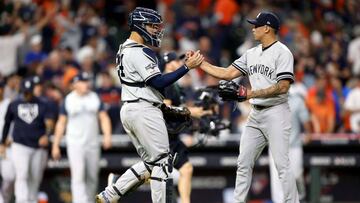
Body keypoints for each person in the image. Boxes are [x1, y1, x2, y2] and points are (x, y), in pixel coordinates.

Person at [96, 7, 203, 203]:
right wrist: (187, 67)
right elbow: (158, 82)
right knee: (162, 162)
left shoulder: (124, 48)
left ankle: (110, 194)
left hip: (131, 108)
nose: (155, 30)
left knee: (151, 162)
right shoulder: (139, 51)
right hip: (143, 109)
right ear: (139, 26)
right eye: (152, 26)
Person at [198, 11, 299, 203]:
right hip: (256, 114)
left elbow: (283, 86)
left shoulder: (283, 52)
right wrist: (200, 64)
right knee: (243, 163)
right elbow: (228, 73)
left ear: (267, 28)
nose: (253, 29)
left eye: (256, 25)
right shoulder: (251, 53)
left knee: (282, 165)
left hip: (276, 112)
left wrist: (249, 93)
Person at [51, 72, 112, 203]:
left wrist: (107, 136)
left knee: (92, 177)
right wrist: (55, 144)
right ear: (75, 84)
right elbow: (61, 123)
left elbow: (104, 117)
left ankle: (89, 201)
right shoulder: (68, 99)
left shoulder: (94, 97)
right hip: (75, 144)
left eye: (87, 81)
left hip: (92, 143)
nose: (86, 84)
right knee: (78, 176)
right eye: (83, 82)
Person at [0, 77, 54, 203]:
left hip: (38, 147)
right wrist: (2, 142)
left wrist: (47, 135)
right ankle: (22, 200)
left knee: (35, 177)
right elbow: (7, 124)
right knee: (22, 174)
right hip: (20, 145)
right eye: (25, 92)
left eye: (29, 91)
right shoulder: (14, 104)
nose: (27, 94)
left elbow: (50, 122)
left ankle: (32, 199)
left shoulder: (43, 104)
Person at [269, 86, 312, 203]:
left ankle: (299, 198)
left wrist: (308, 133)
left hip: (294, 145)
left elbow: (306, 119)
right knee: (277, 180)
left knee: (297, 175)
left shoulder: (297, 99)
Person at [0, 80, 15, 203]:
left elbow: (16, 124)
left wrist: (10, 139)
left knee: (9, 176)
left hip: (8, 145)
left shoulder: (9, 104)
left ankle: (6, 200)